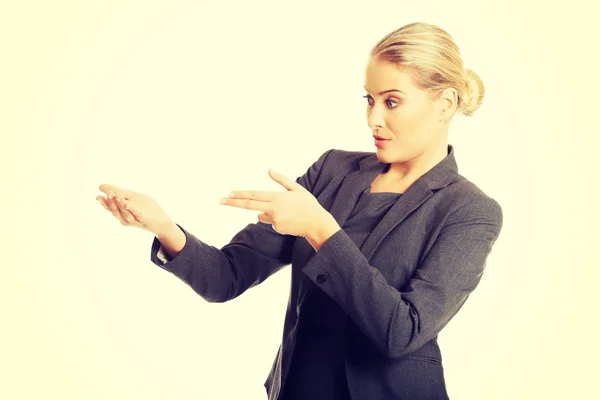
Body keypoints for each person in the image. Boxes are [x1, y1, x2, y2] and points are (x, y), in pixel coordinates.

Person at [96, 21, 503, 400]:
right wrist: (164, 227)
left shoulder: (469, 210)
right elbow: (226, 277)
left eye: (392, 102)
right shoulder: (333, 171)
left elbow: (401, 332)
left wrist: (321, 230)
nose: (373, 119)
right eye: (369, 99)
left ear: (445, 103)